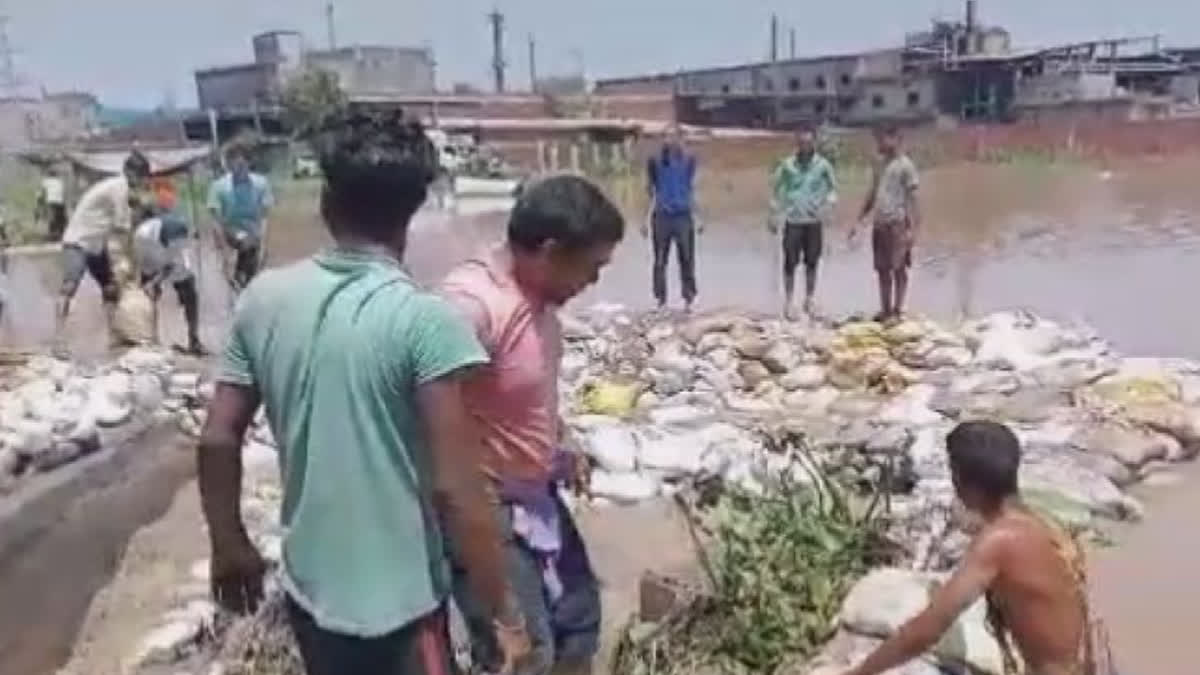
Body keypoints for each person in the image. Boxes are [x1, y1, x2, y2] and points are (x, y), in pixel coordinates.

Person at [197, 110, 529, 675]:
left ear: (327, 202)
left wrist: (229, 545)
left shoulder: (264, 299)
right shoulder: (425, 320)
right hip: (401, 605)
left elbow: (217, 438)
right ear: (414, 209)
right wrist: (503, 615)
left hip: (311, 589)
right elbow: (456, 489)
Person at [440, 175, 624, 675]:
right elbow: (424, 411)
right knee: (523, 652)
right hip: (486, 506)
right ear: (549, 252)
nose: (594, 282)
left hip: (534, 491)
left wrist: (556, 448)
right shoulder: (472, 306)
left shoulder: (539, 300)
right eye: (592, 267)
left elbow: (520, 394)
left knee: (580, 622)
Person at [841, 421, 1110, 675]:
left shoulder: (998, 541)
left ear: (961, 481)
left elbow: (925, 632)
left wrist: (859, 673)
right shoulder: (1040, 523)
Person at [56, 151, 153, 350]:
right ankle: (58, 340)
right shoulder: (119, 187)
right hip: (78, 241)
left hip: (96, 245)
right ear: (130, 172)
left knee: (110, 288)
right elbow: (122, 228)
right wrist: (131, 262)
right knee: (69, 286)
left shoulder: (121, 190)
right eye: (140, 176)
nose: (142, 181)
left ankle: (114, 335)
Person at [851, 125, 920, 322]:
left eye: (881, 139)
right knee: (882, 269)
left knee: (899, 268)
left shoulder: (906, 166)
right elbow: (872, 194)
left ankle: (898, 310)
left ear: (896, 139)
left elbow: (913, 200)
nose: (878, 144)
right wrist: (859, 220)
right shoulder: (879, 164)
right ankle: (885, 309)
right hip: (880, 224)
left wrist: (913, 231)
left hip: (898, 223)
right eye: (877, 140)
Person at [770, 126, 837, 319]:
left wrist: (829, 205)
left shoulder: (823, 165)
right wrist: (774, 214)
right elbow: (776, 190)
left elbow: (833, 189)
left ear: (814, 143)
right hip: (793, 220)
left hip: (813, 220)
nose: (805, 146)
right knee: (790, 263)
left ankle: (809, 299)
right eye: (801, 142)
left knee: (812, 262)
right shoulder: (787, 165)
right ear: (797, 143)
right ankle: (789, 302)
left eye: (808, 143)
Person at [133, 212, 206, 355]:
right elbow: (166, 267)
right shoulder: (147, 237)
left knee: (185, 289)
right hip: (151, 244)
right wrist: (155, 282)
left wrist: (155, 281)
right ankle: (151, 338)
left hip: (152, 241)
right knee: (152, 294)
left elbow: (171, 265)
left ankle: (191, 340)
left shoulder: (179, 235)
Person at [644, 124, 699, 312]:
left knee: (686, 258)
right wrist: (645, 218)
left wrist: (699, 217)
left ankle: (688, 299)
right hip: (661, 215)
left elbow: (691, 187)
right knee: (660, 260)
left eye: (672, 137)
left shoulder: (689, 160)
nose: (669, 140)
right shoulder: (655, 161)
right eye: (665, 137)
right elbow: (650, 189)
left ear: (679, 139)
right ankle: (661, 300)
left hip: (683, 215)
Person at [207, 140, 273, 291]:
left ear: (249, 163)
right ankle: (239, 278)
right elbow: (216, 220)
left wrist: (264, 243)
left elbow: (264, 217)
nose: (239, 166)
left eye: (243, 162)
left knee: (255, 268)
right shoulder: (219, 186)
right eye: (235, 162)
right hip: (230, 229)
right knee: (246, 242)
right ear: (229, 164)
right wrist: (223, 250)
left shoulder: (261, 183)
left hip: (254, 231)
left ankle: (244, 285)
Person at [37, 166, 68, 242]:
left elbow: (41, 193)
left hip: (51, 202)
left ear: (49, 174)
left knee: (52, 218)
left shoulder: (46, 181)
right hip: (60, 202)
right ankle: (62, 234)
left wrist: (39, 202)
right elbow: (63, 193)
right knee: (61, 218)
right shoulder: (60, 181)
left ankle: (52, 235)